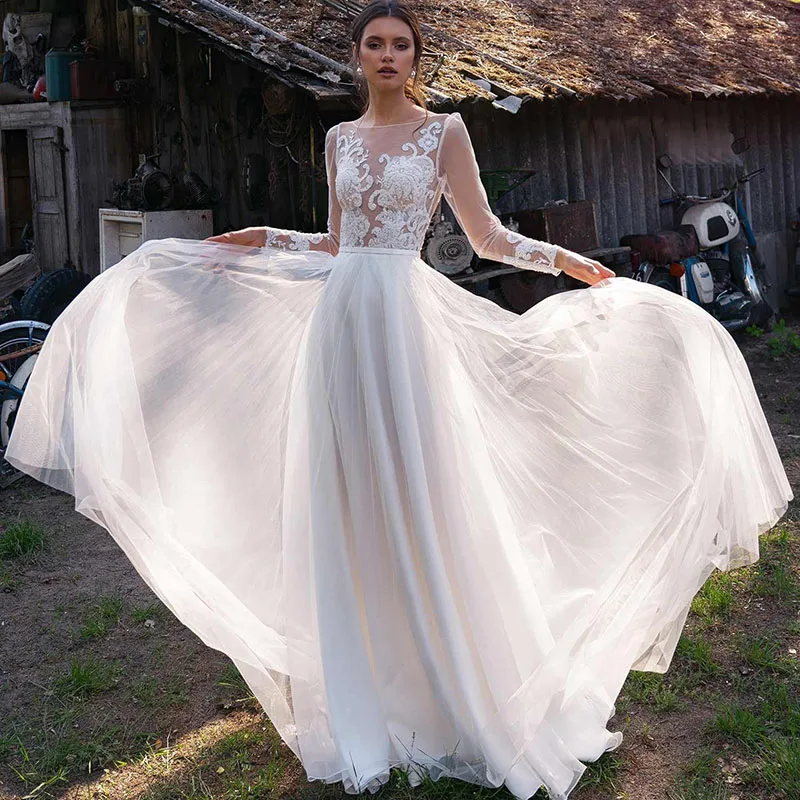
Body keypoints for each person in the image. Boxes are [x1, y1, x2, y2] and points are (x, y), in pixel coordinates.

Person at [5, 2, 792, 799]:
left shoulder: (444, 131)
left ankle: (452, 680)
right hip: (343, 327)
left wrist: (564, 259)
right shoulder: (338, 140)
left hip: (405, 324)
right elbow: (339, 244)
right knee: (349, 498)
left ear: (416, 58)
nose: (388, 55)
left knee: (423, 485)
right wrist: (262, 239)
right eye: (375, 44)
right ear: (355, 57)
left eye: (401, 45)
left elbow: (484, 237)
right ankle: (372, 690)